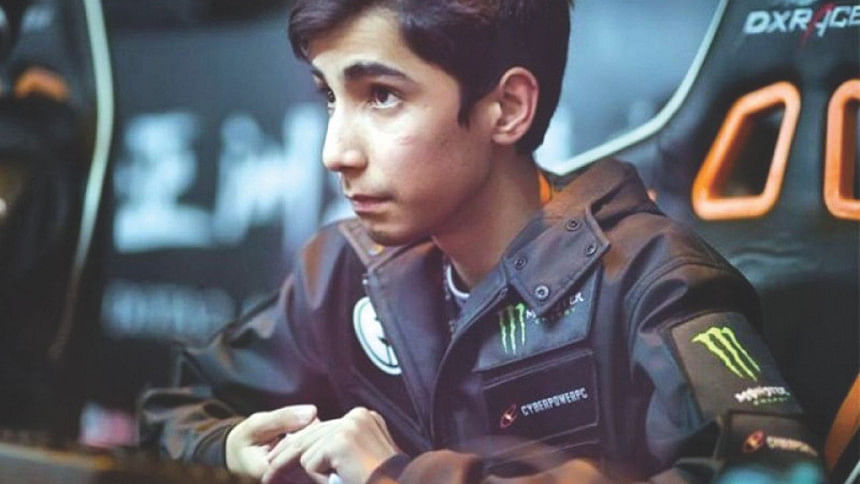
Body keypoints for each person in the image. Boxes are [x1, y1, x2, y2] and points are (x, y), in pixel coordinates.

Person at [139, 1, 824, 482]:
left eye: (381, 96)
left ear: (508, 108)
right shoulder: (346, 272)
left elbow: (775, 473)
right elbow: (176, 407)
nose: (334, 151)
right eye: (329, 96)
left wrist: (402, 476)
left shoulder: (650, 279)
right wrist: (229, 447)